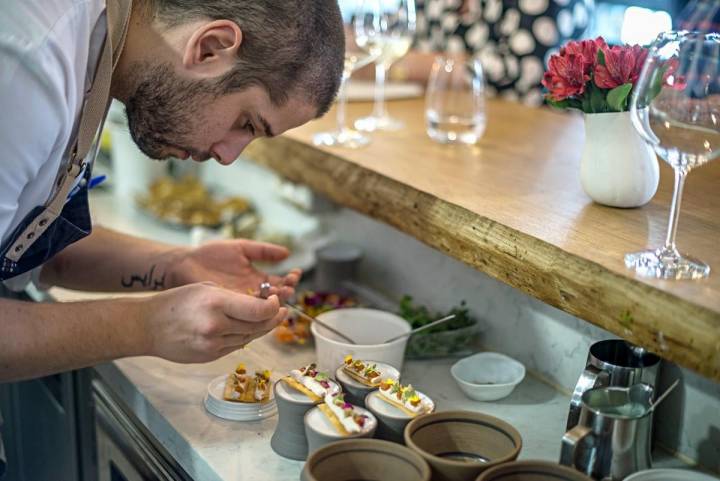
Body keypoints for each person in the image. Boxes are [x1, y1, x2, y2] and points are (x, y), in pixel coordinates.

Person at [0, 0, 344, 475]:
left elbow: (24, 241)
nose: (228, 156)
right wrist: (149, 326)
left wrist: (174, 264)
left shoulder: (94, 47)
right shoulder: (26, 66)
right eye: (247, 123)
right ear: (210, 48)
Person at [387, 0, 594, 106]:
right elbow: (392, 32)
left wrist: (400, 65)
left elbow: (524, 69)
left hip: (533, 143)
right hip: (445, 118)